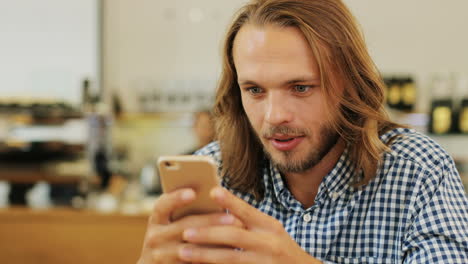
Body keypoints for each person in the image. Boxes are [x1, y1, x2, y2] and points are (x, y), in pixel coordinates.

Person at [138, 0, 468, 263]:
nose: (274, 116)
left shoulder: (418, 170)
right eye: (254, 90)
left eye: (300, 87)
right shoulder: (216, 174)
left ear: (349, 85)